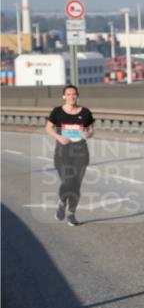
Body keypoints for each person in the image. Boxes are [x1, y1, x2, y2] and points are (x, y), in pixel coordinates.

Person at [45, 84, 95, 226]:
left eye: (74, 94)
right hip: (63, 152)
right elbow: (48, 128)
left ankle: (71, 215)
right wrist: (58, 137)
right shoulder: (57, 111)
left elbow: (91, 130)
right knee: (68, 182)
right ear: (64, 96)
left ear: (77, 96)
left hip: (80, 152)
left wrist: (88, 134)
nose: (71, 96)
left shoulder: (85, 112)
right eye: (68, 94)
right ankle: (62, 202)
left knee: (76, 185)